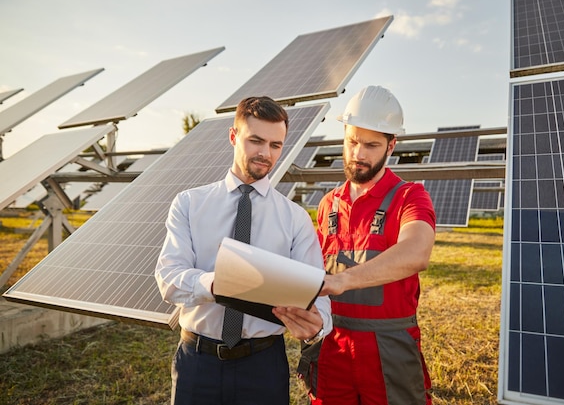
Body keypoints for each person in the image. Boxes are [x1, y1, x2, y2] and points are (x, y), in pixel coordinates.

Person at [155, 96, 332, 405]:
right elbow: (168, 278)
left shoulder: (295, 219)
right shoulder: (189, 204)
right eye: (255, 141)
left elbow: (318, 293)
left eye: (276, 145)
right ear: (233, 136)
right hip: (198, 362)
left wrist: (318, 326)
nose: (265, 153)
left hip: (263, 365)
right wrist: (220, 283)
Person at [301, 85, 436, 405]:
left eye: (372, 145)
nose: (359, 153)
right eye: (352, 141)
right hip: (332, 347)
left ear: (392, 145)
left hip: (389, 351)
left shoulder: (410, 197)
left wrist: (342, 280)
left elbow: (417, 251)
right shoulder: (329, 204)